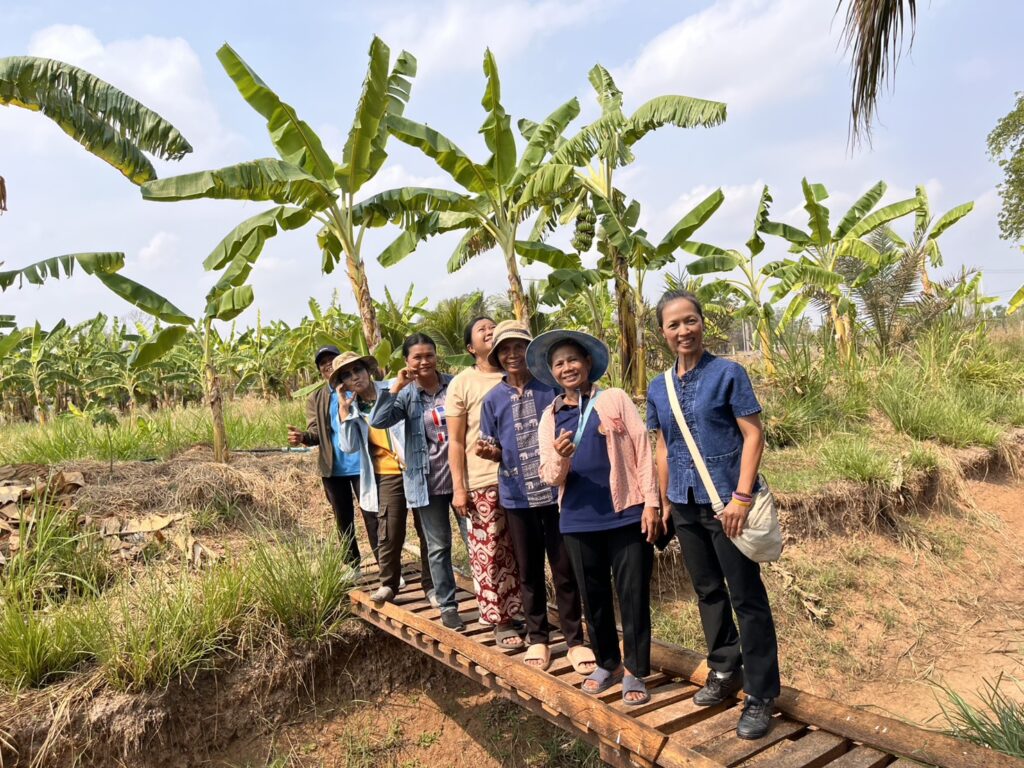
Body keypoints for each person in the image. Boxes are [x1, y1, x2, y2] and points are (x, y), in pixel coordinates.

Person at [646, 288, 780, 741]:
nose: (684, 330)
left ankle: (761, 693)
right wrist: (665, 500)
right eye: (674, 324)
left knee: (747, 597)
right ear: (662, 332)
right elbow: (664, 446)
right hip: (684, 502)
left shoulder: (728, 374)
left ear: (702, 323)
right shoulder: (658, 387)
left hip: (727, 504)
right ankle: (724, 669)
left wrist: (741, 497)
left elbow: (753, 435)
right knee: (707, 590)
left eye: (691, 320)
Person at [532, 330, 661, 706]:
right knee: (594, 596)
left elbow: (642, 448)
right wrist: (561, 456)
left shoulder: (614, 398)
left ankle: (635, 669)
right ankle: (608, 664)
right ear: (553, 372)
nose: (567, 367)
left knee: (633, 595)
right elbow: (549, 475)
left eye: (573, 359)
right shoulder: (550, 417)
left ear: (588, 363)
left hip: (626, 513)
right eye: (559, 363)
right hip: (577, 519)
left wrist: (651, 503)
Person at [479, 321, 594, 673]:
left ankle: (574, 641)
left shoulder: (551, 390)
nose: (512, 354)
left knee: (564, 569)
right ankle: (538, 638)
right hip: (516, 497)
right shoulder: (492, 400)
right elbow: (494, 446)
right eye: (505, 349)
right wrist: (490, 453)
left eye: (518, 347)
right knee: (528, 571)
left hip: (557, 494)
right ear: (497, 356)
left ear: (530, 353)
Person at [370, 333, 467, 631]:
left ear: (437, 356)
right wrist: (395, 387)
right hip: (427, 482)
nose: (424, 361)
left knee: (476, 542)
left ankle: (495, 604)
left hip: (463, 478)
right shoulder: (406, 394)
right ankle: (448, 606)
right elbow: (378, 420)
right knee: (438, 547)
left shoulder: (455, 385)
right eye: (417, 357)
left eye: (429, 355)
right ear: (407, 361)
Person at [446, 316, 524, 648]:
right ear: (470, 347)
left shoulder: (520, 373)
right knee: (490, 551)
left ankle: (522, 611)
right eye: (482, 329)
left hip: (524, 479)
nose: (490, 330)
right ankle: (500, 620)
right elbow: (456, 441)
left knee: (521, 550)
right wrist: (459, 488)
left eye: (493, 326)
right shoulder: (463, 383)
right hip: (483, 480)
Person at [331, 351, 432, 605]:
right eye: (347, 375)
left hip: (414, 467)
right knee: (389, 531)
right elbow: (349, 447)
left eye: (358, 370)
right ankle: (389, 584)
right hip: (385, 473)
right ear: (343, 384)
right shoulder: (352, 408)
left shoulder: (395, 387)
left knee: (427, 528)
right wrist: (344, 411)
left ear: (368, 371)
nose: (355, 377)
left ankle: (432, 585)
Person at [287, 345, 375, 568]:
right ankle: (352, 565)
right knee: (343, 519)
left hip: (364, 465)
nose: (327, 364)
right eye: (322, 363)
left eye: (331, 360)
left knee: (373, 515)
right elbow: (315, 433)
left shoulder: (360, 387)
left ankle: (387, 565)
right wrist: (302, 437)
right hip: (333, 468)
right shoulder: (316, 398)